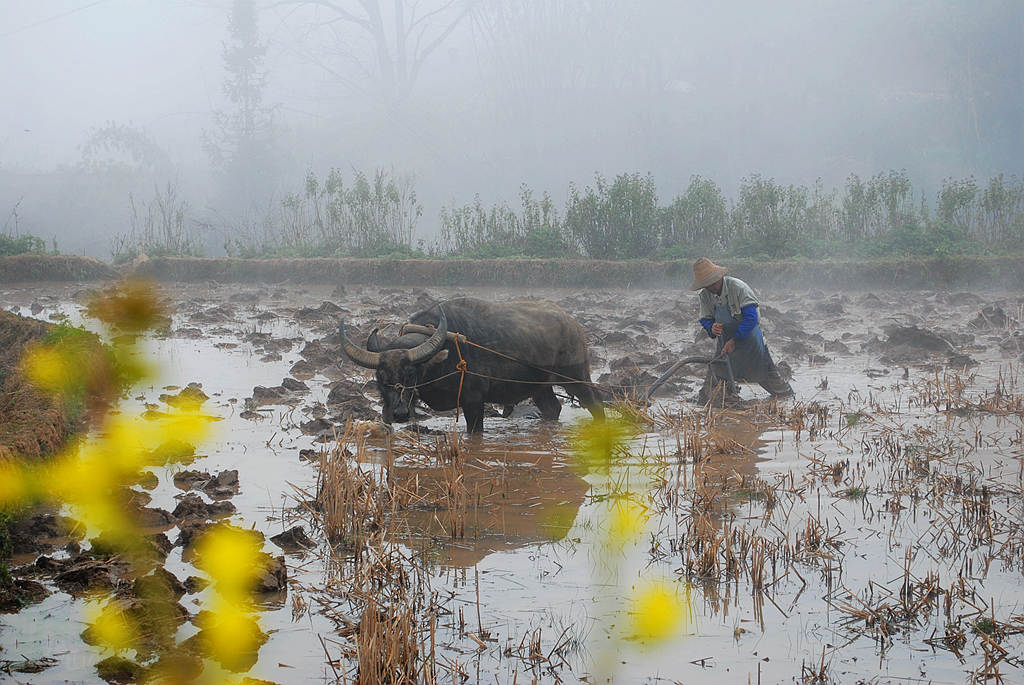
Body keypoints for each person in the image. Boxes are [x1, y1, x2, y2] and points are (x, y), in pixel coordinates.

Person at [690, 257, 793, 404]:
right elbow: (705, 318)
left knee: (771, 380)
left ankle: (786, 398)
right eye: (705, 285)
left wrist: (735, 340)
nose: (708, 288)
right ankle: (725, 401)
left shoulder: (738, 288)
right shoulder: (705, 295)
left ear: (718, 278)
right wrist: (711, 327)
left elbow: (751, 318)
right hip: (725, 339)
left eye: (710, 284)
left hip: (749, 338)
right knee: (718, 375)